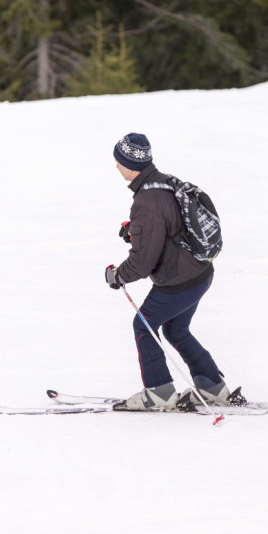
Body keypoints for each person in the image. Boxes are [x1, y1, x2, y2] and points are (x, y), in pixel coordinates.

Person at [104, 133, 230, 411]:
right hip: (199, 273)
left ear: (129, 163)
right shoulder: (163, 182)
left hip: (178, 282)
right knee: (176, 328)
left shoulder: (146, 201)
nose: (115, 166)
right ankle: (213, 387)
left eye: (118, 160)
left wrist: (118, 276)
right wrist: (134, 232)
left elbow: (142, 262)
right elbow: (167, 230)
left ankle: (159, 391)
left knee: (144, 326)